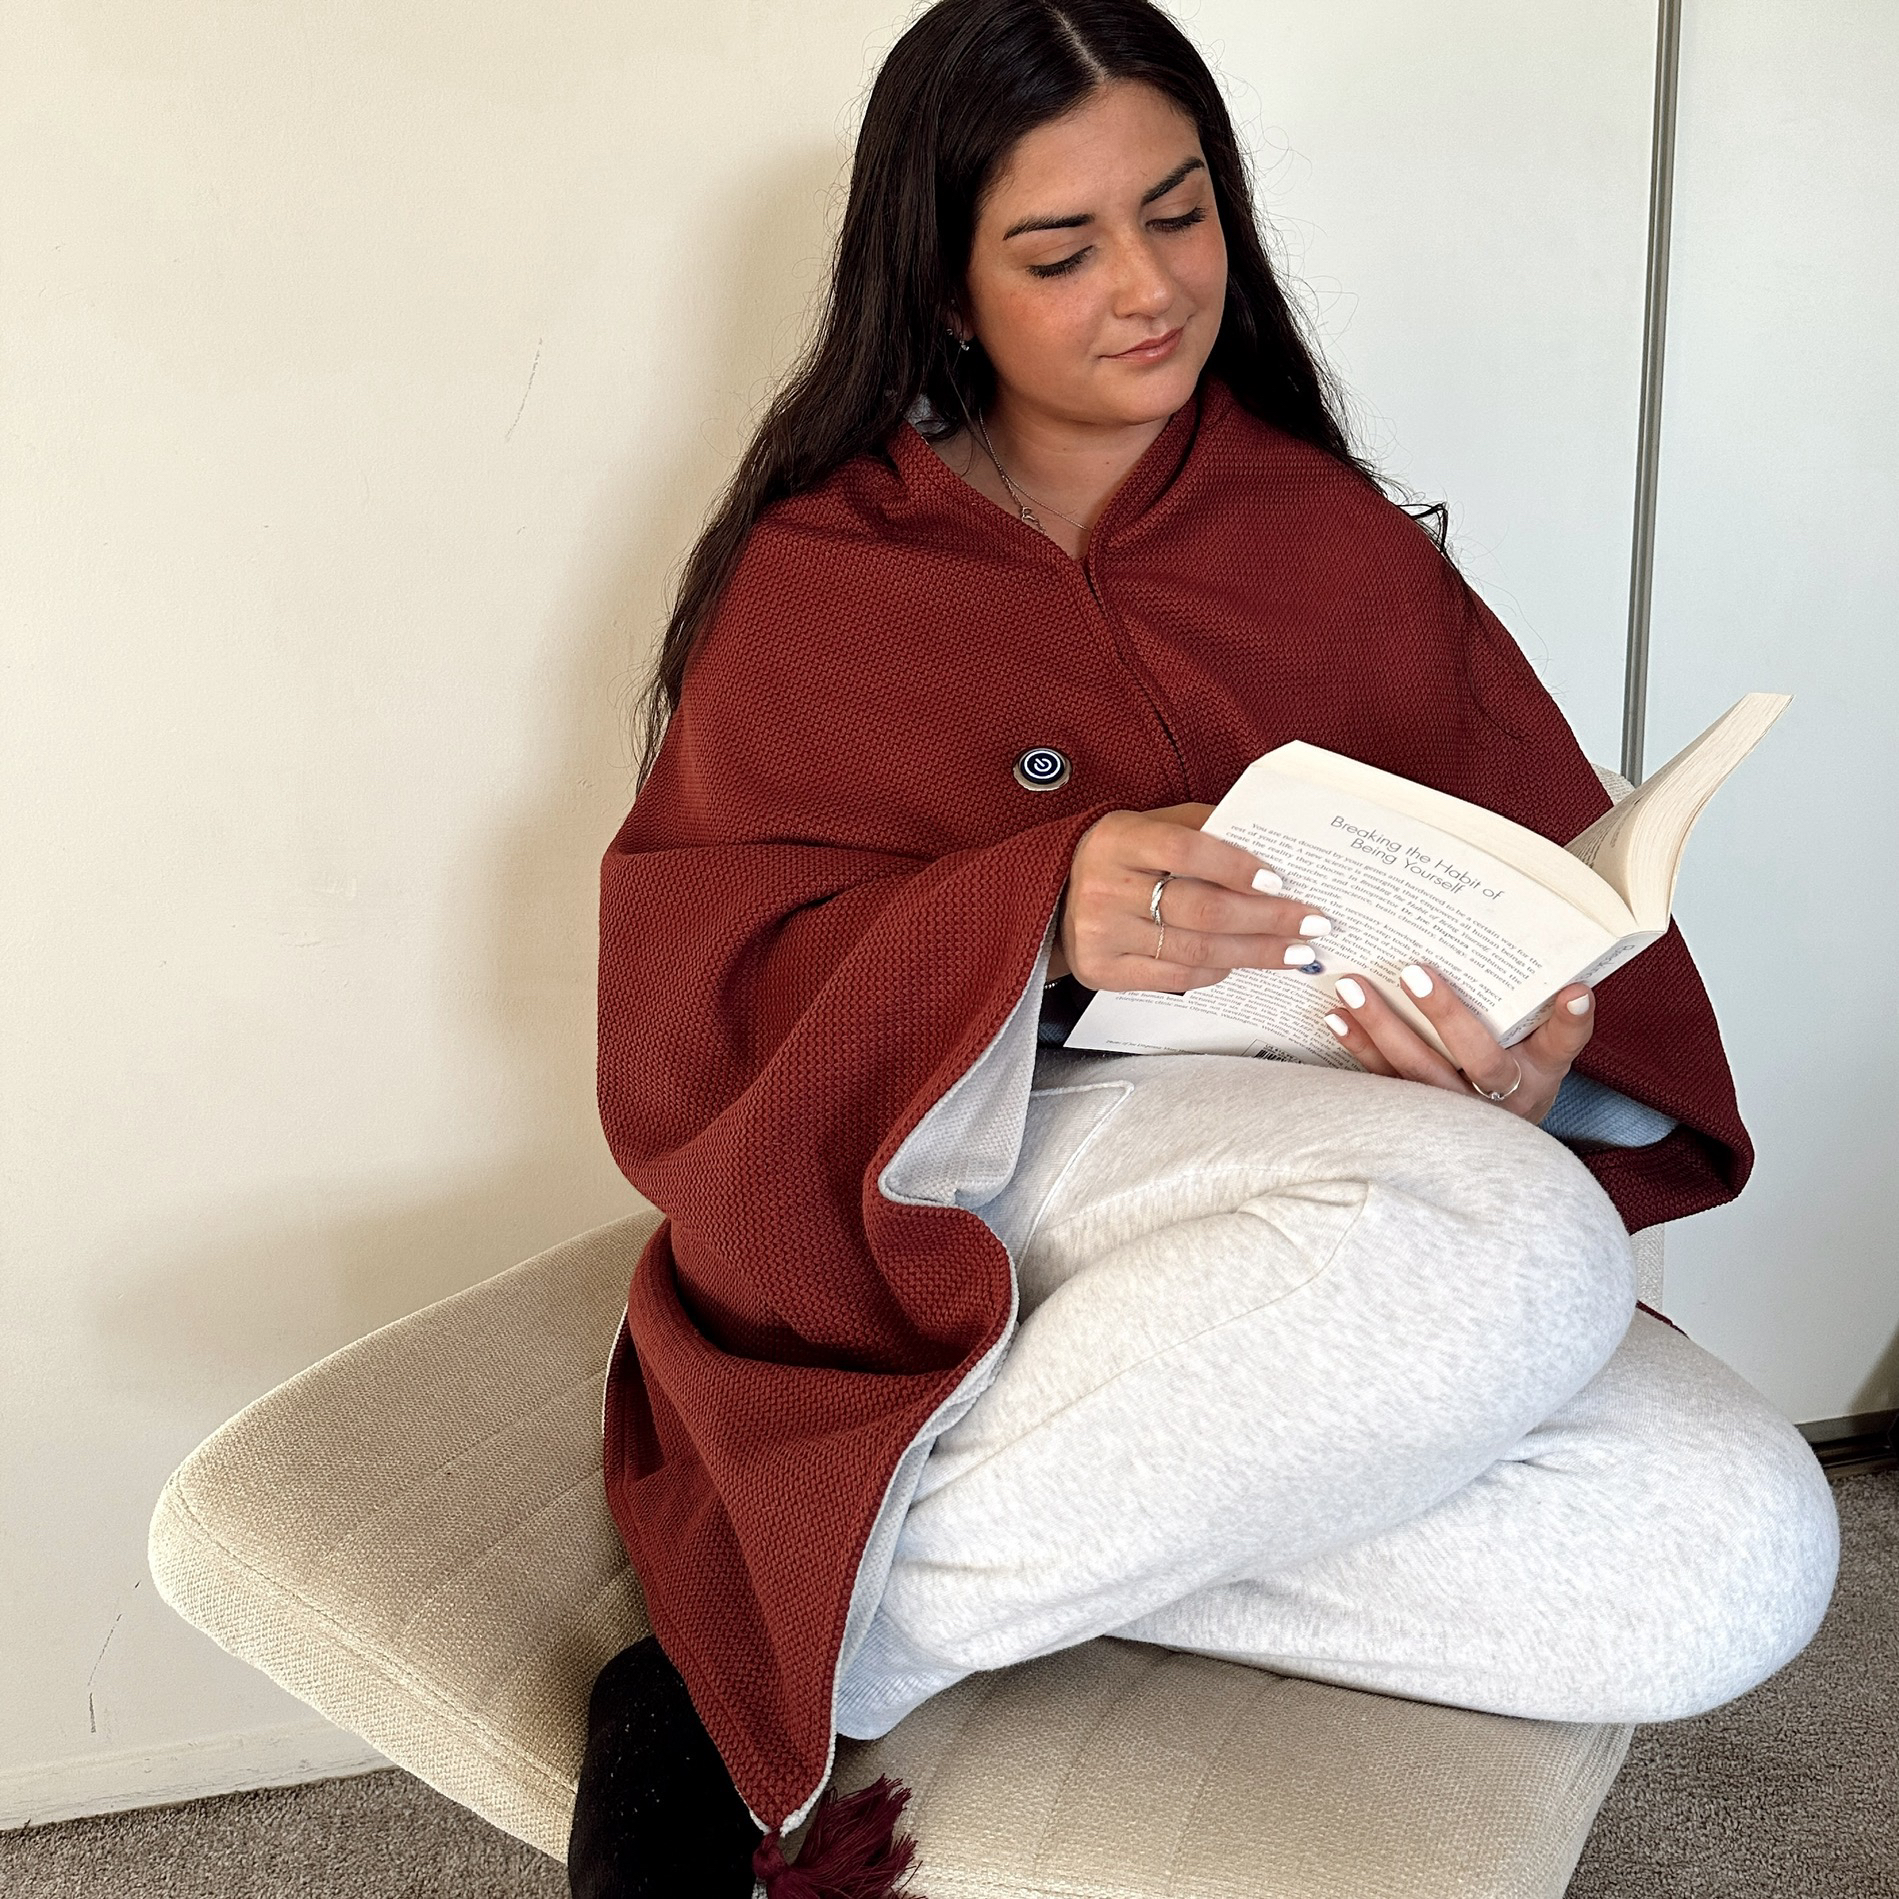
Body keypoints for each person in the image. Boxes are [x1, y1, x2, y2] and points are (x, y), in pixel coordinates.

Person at [570, 3, 1840, 1894]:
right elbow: (696, 1009)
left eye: (1179, 215)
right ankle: (745, 1681)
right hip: (995, 1166)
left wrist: (1526, 1075)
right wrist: (1030, 917)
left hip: (1353, 1177)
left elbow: (1542, 912)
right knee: (1512, 1246)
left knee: (1744, 1548)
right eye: (1061, 250)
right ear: (938, 291)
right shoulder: (823, 580)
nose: (1147, 289)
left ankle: (919, 1578)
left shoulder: (1330, 541)